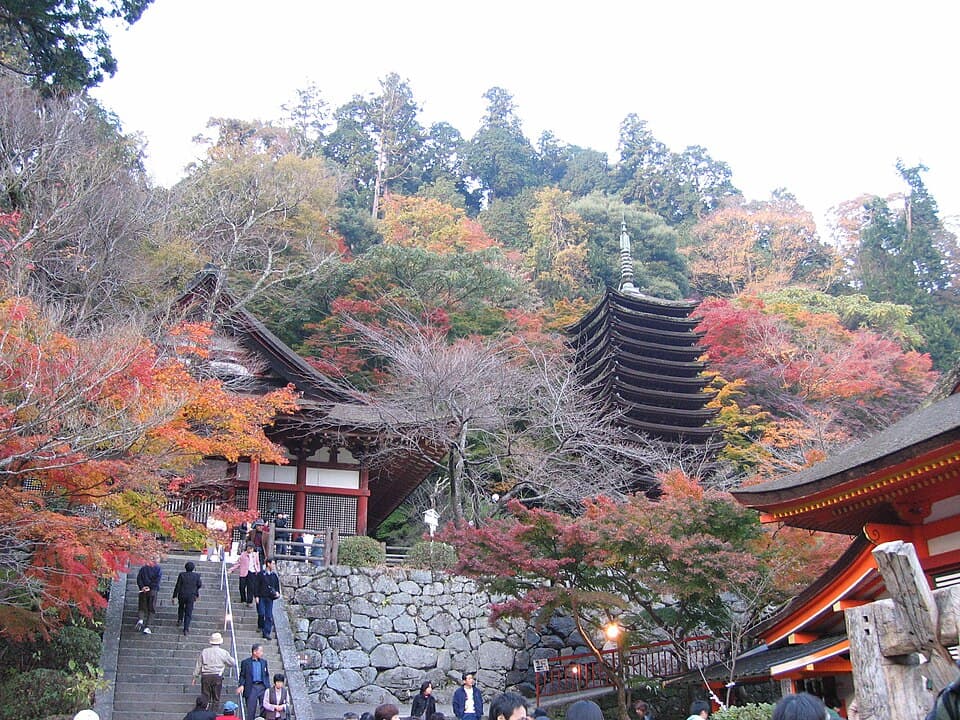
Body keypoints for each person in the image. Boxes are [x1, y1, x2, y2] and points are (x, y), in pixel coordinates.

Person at [193, 632, 238, 709]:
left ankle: (204, 712)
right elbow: (232, 663)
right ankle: (214, 713)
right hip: (217, 676)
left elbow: (199, 665)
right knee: (216, 698)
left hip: (206, 676)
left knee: (205, 696)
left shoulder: (204, 651)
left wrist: (195, 676)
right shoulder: (223, 652)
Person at [237, 643, 269, 720]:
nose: (262, 653)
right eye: (260, 651)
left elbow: (266, 675)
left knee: (265, 707)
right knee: (251, 709)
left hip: (262, 686)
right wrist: (241, 685)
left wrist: (268, 687)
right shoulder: (245, 662)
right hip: (251, 686)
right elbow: (242, 675)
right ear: (254, 652)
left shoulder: (264, 662)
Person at [173, 560, 203, 635]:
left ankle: (180, 619)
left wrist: (174, 595)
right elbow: (199, 584)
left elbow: (178, 585)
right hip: (191, 595)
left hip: (182, 594)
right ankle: (186, 628)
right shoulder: (196, 576)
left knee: (181, 607)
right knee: (188, 611)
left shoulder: (182, 575)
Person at [256, 558, 281, 640]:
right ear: (268, 564)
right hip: (262, 596)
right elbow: (256, 586)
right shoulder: (261, 574)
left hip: (270, 598)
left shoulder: (274, 576)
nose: (274, 566)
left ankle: (266, 632)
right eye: (273, 563)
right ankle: (261, 625)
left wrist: (277, 593)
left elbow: (277, 587)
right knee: (261, 613)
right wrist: (256, 596)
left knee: (269, 615)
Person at [135, 557, 162, 634]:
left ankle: (140, 619)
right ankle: (148, 627)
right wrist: (149, 587)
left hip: (143, 590)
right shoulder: (158, 569)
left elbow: (139, 578)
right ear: (156, 560)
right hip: (153, 591)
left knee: (142, 607)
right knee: (151, 609)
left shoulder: (144, 568)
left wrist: (142, 586)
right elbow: (157, 580)